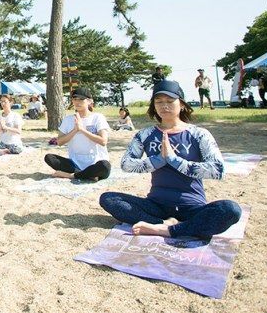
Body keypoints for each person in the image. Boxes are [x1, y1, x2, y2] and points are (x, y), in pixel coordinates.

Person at [99, 80, 241, 239]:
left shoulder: (199, 134)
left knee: (231, 210)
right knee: (108, 199)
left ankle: (167, 230)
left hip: (191, 208)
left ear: (181, 104)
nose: (164, 105)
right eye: (158, 102)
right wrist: (156, 161)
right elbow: (126, 164)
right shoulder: (145, 134)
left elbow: (218, 170)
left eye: (169, 101)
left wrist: (175, 160)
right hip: (156, 205)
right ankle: (161, 223)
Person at [44, 87, 111, 181]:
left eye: (81, 99)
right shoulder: (68, 120)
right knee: (49, 158)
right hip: (75, 163)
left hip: (96, 162)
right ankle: (85, 174)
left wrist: (82, 129)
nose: (77, 102)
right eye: (75, 99)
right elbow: (59, 142)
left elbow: (103, 141)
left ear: (89, 101)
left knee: (105, 166)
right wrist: (75, 130)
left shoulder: (98, 117)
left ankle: (72, 175)